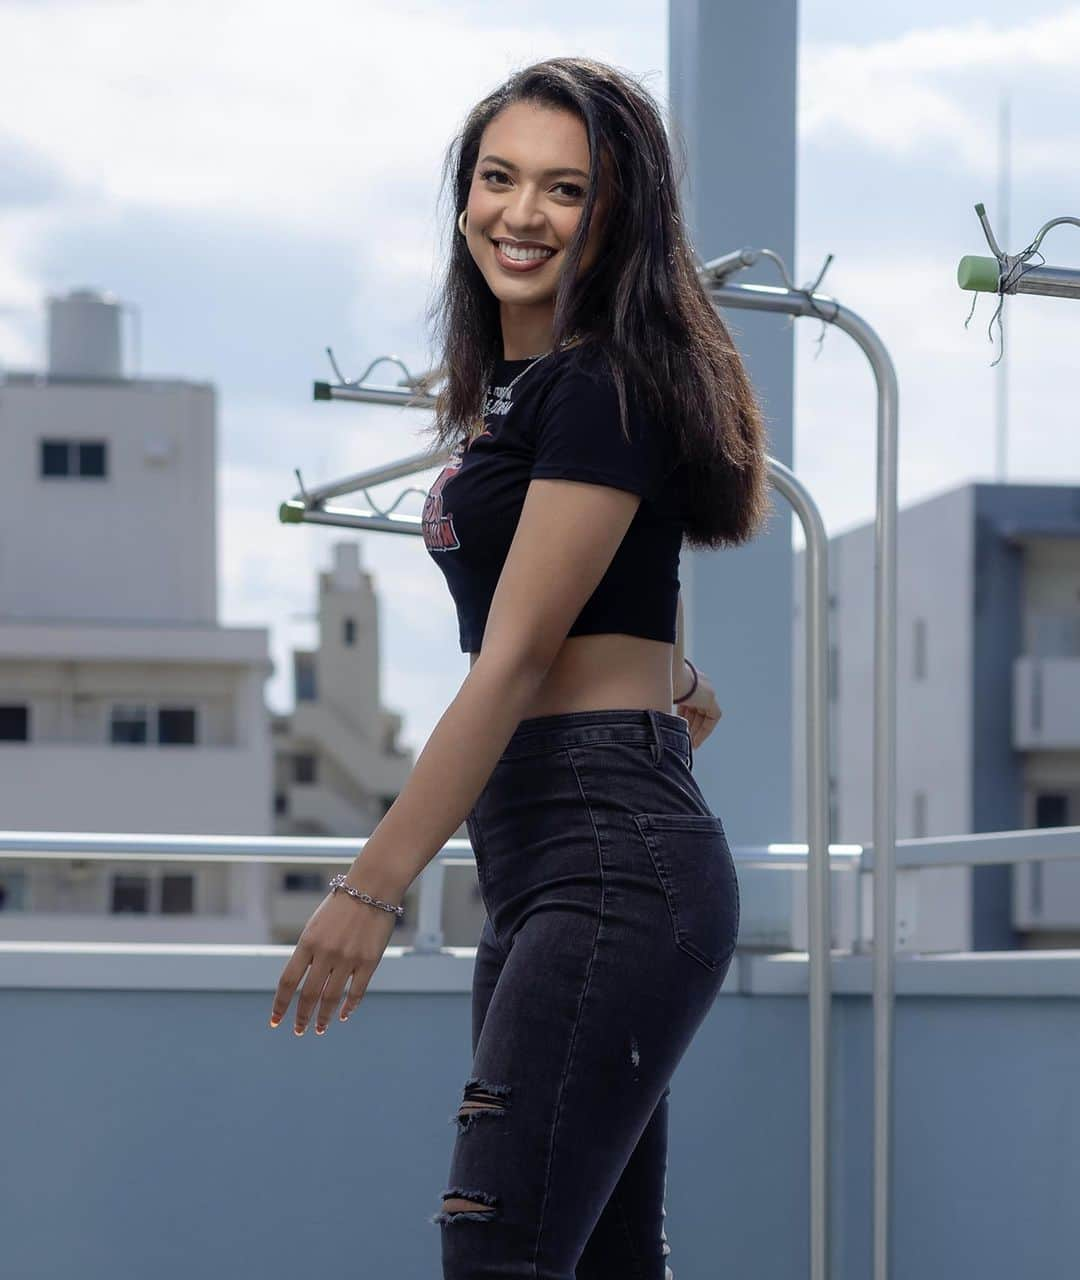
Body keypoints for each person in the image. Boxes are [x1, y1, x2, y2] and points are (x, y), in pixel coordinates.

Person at [270, 55, 771, 1280]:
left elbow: (512, 660)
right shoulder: (527, 396)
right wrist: (657, 689)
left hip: (606, 857)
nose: (522, 213)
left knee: (498, 1249)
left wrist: (371, 889)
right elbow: (650, 666)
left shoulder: (600, 384)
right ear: (464, 196)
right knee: (589, 1258)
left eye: (566, 189)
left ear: (619, 217)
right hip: (555, 848)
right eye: (498, 178)